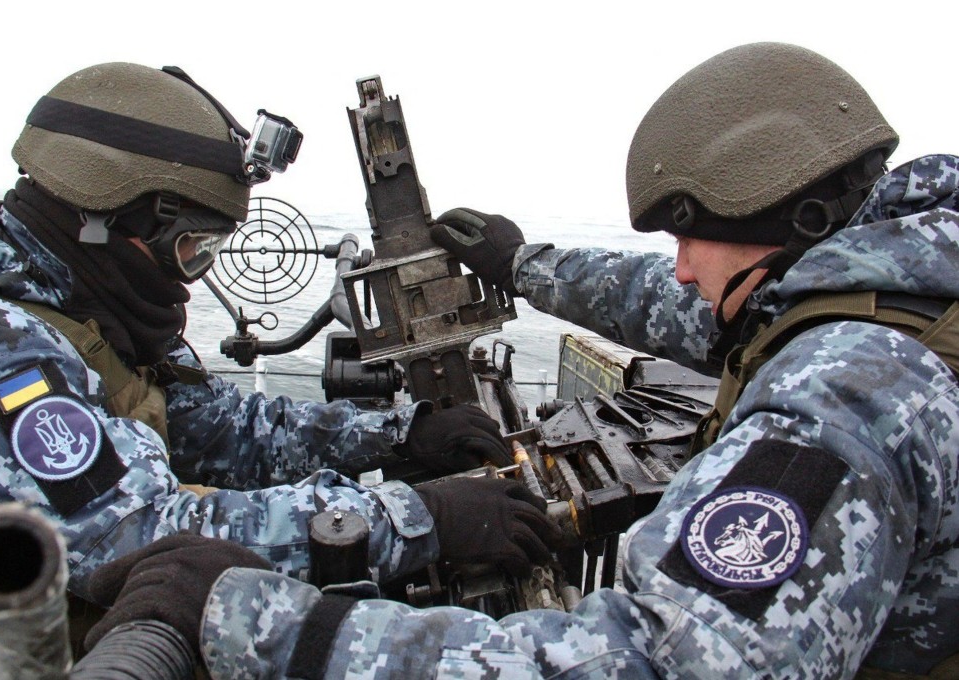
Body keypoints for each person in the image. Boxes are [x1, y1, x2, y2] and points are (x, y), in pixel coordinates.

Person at [84, 43, 959, 678]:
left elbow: (665, 663)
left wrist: (263, 623)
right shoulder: (891, 283)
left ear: (795, 224)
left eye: (693, 236)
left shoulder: (847, 391)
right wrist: (522, 266)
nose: (683, 266)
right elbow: (679, 305)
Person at [0, 62, 560, 672]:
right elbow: (136, 536)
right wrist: (424, 518)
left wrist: (397, 433)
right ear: (103, 216)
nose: (194, 278)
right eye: (190, 249)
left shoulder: (86, 306)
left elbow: (212, 426)